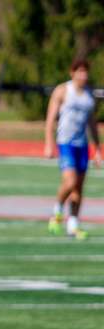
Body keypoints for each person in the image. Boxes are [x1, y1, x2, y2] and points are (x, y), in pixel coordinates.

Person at [45, 58, 101, 240]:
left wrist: (98, 148)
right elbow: (50, 119)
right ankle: (57, 212)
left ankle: (73, 226)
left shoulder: (88, 95)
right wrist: (48, 143)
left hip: (82, 145)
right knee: (69, 182)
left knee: (78, 187)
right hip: (65, 142)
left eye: (86, 72)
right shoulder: (63, 91)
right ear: (72, 73)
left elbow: (92, 124)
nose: (83, 75)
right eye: (80, 71)